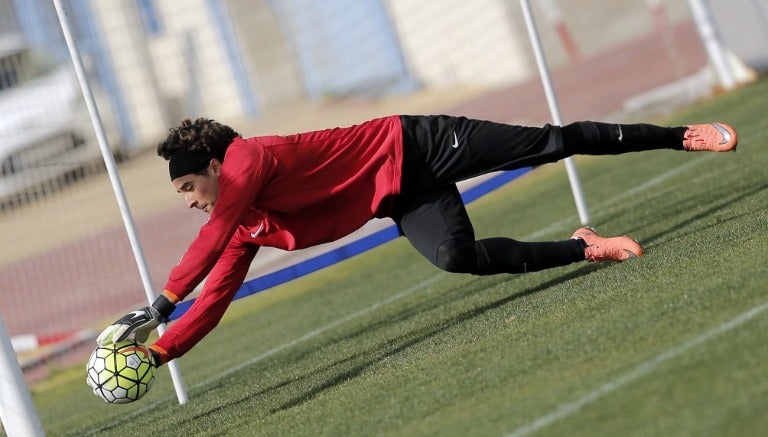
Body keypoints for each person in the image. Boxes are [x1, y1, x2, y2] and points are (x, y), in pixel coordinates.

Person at [96, 115, 738, 366]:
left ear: (211, 167)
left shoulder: (246, 160)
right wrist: (158, 351)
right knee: (456, 256)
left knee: (548, 144)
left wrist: (162, 296)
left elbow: (210, 233)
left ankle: (681, 135)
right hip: (402, 195)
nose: (190, 202)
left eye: (187, 188)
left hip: (419, 145)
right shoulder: (238, 223)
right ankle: (584, 245)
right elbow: (216, 295)